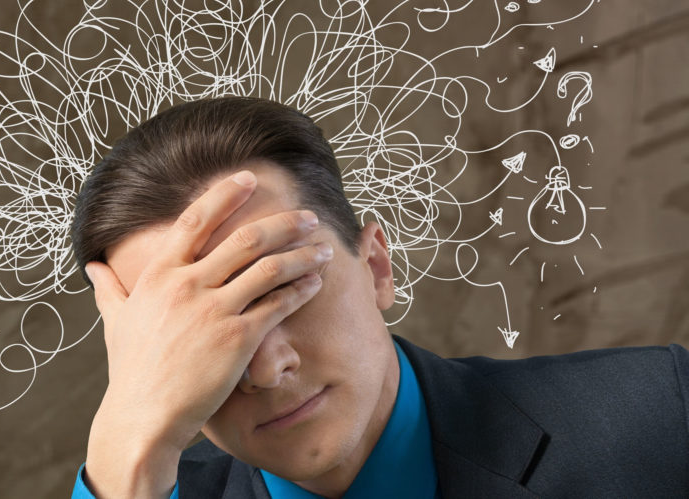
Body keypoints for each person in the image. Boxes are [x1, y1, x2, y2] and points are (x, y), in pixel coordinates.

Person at [67, 96, 689, 498]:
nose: (266, 367)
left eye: (286, 288)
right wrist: (130, 450)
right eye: (204, 326)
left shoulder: (663, 416)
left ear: (376, 267)